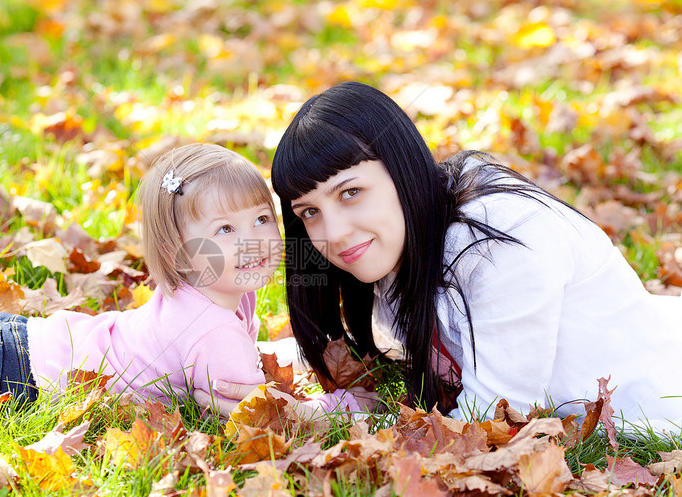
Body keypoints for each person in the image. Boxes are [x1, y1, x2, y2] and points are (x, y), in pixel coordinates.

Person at [213, 81, 681, 435]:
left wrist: (315, 422)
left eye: (351, 192)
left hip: (661, 401)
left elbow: (493, 417)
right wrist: (233, 358)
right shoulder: (397, 246)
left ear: (402, 168)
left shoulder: (500, 240)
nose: (331, 233)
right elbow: (382, 348)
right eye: (310, 212)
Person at [0, 143, 362, 416]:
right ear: (182, 250)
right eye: (224, 229)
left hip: (9, 334)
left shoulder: (210, 290)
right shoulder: (213, 329)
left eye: (263, 220)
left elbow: (240, 346)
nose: (256, 239)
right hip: (5, 372)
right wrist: (349, 405)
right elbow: (258, 414)